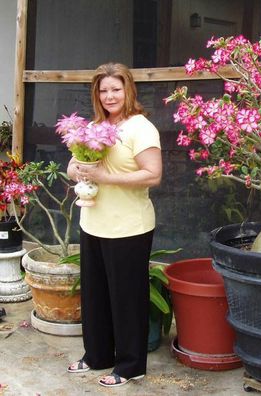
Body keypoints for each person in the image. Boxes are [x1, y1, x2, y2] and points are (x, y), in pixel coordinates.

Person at [66, 63, 162, 388]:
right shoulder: (95, 125)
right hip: (93, 223)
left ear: (128, 90)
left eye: (115, 89)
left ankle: (131, 366)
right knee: (95, 297)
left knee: (127, 298)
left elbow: (153, 174)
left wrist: (105, 177)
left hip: (129, 228)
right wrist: (77, 169)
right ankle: (97, 356)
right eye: (103, 90)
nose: (110, 96)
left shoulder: (141, 128)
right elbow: (72, 167)